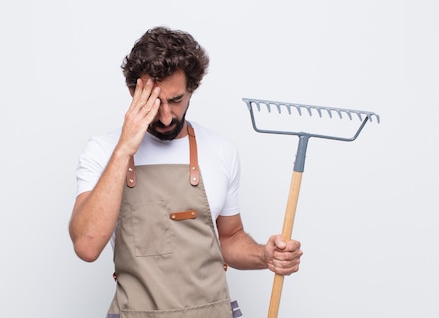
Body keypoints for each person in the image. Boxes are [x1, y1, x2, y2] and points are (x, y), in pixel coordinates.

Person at [69, 26, 303, 318]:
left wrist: (263, 255)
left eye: (176, 100)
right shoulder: (103, 151)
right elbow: (86, 246)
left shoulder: (220, 151)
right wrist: (124, 149)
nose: (166, 116)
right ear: (133, 92)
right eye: (155, 102)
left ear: (192, 88)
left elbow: (229, 238)